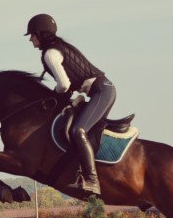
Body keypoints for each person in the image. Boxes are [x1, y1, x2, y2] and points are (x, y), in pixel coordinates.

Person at [23, 13, 116, 196]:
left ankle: (91, 179)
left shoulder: (51, 54)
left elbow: (64, 85)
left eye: (32, 35)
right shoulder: (58, 47)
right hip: (101, 90)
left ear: (41, 34)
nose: (31, 40)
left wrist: (53, 95)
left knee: (78, 131)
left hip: (101, 91)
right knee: (80, 128)